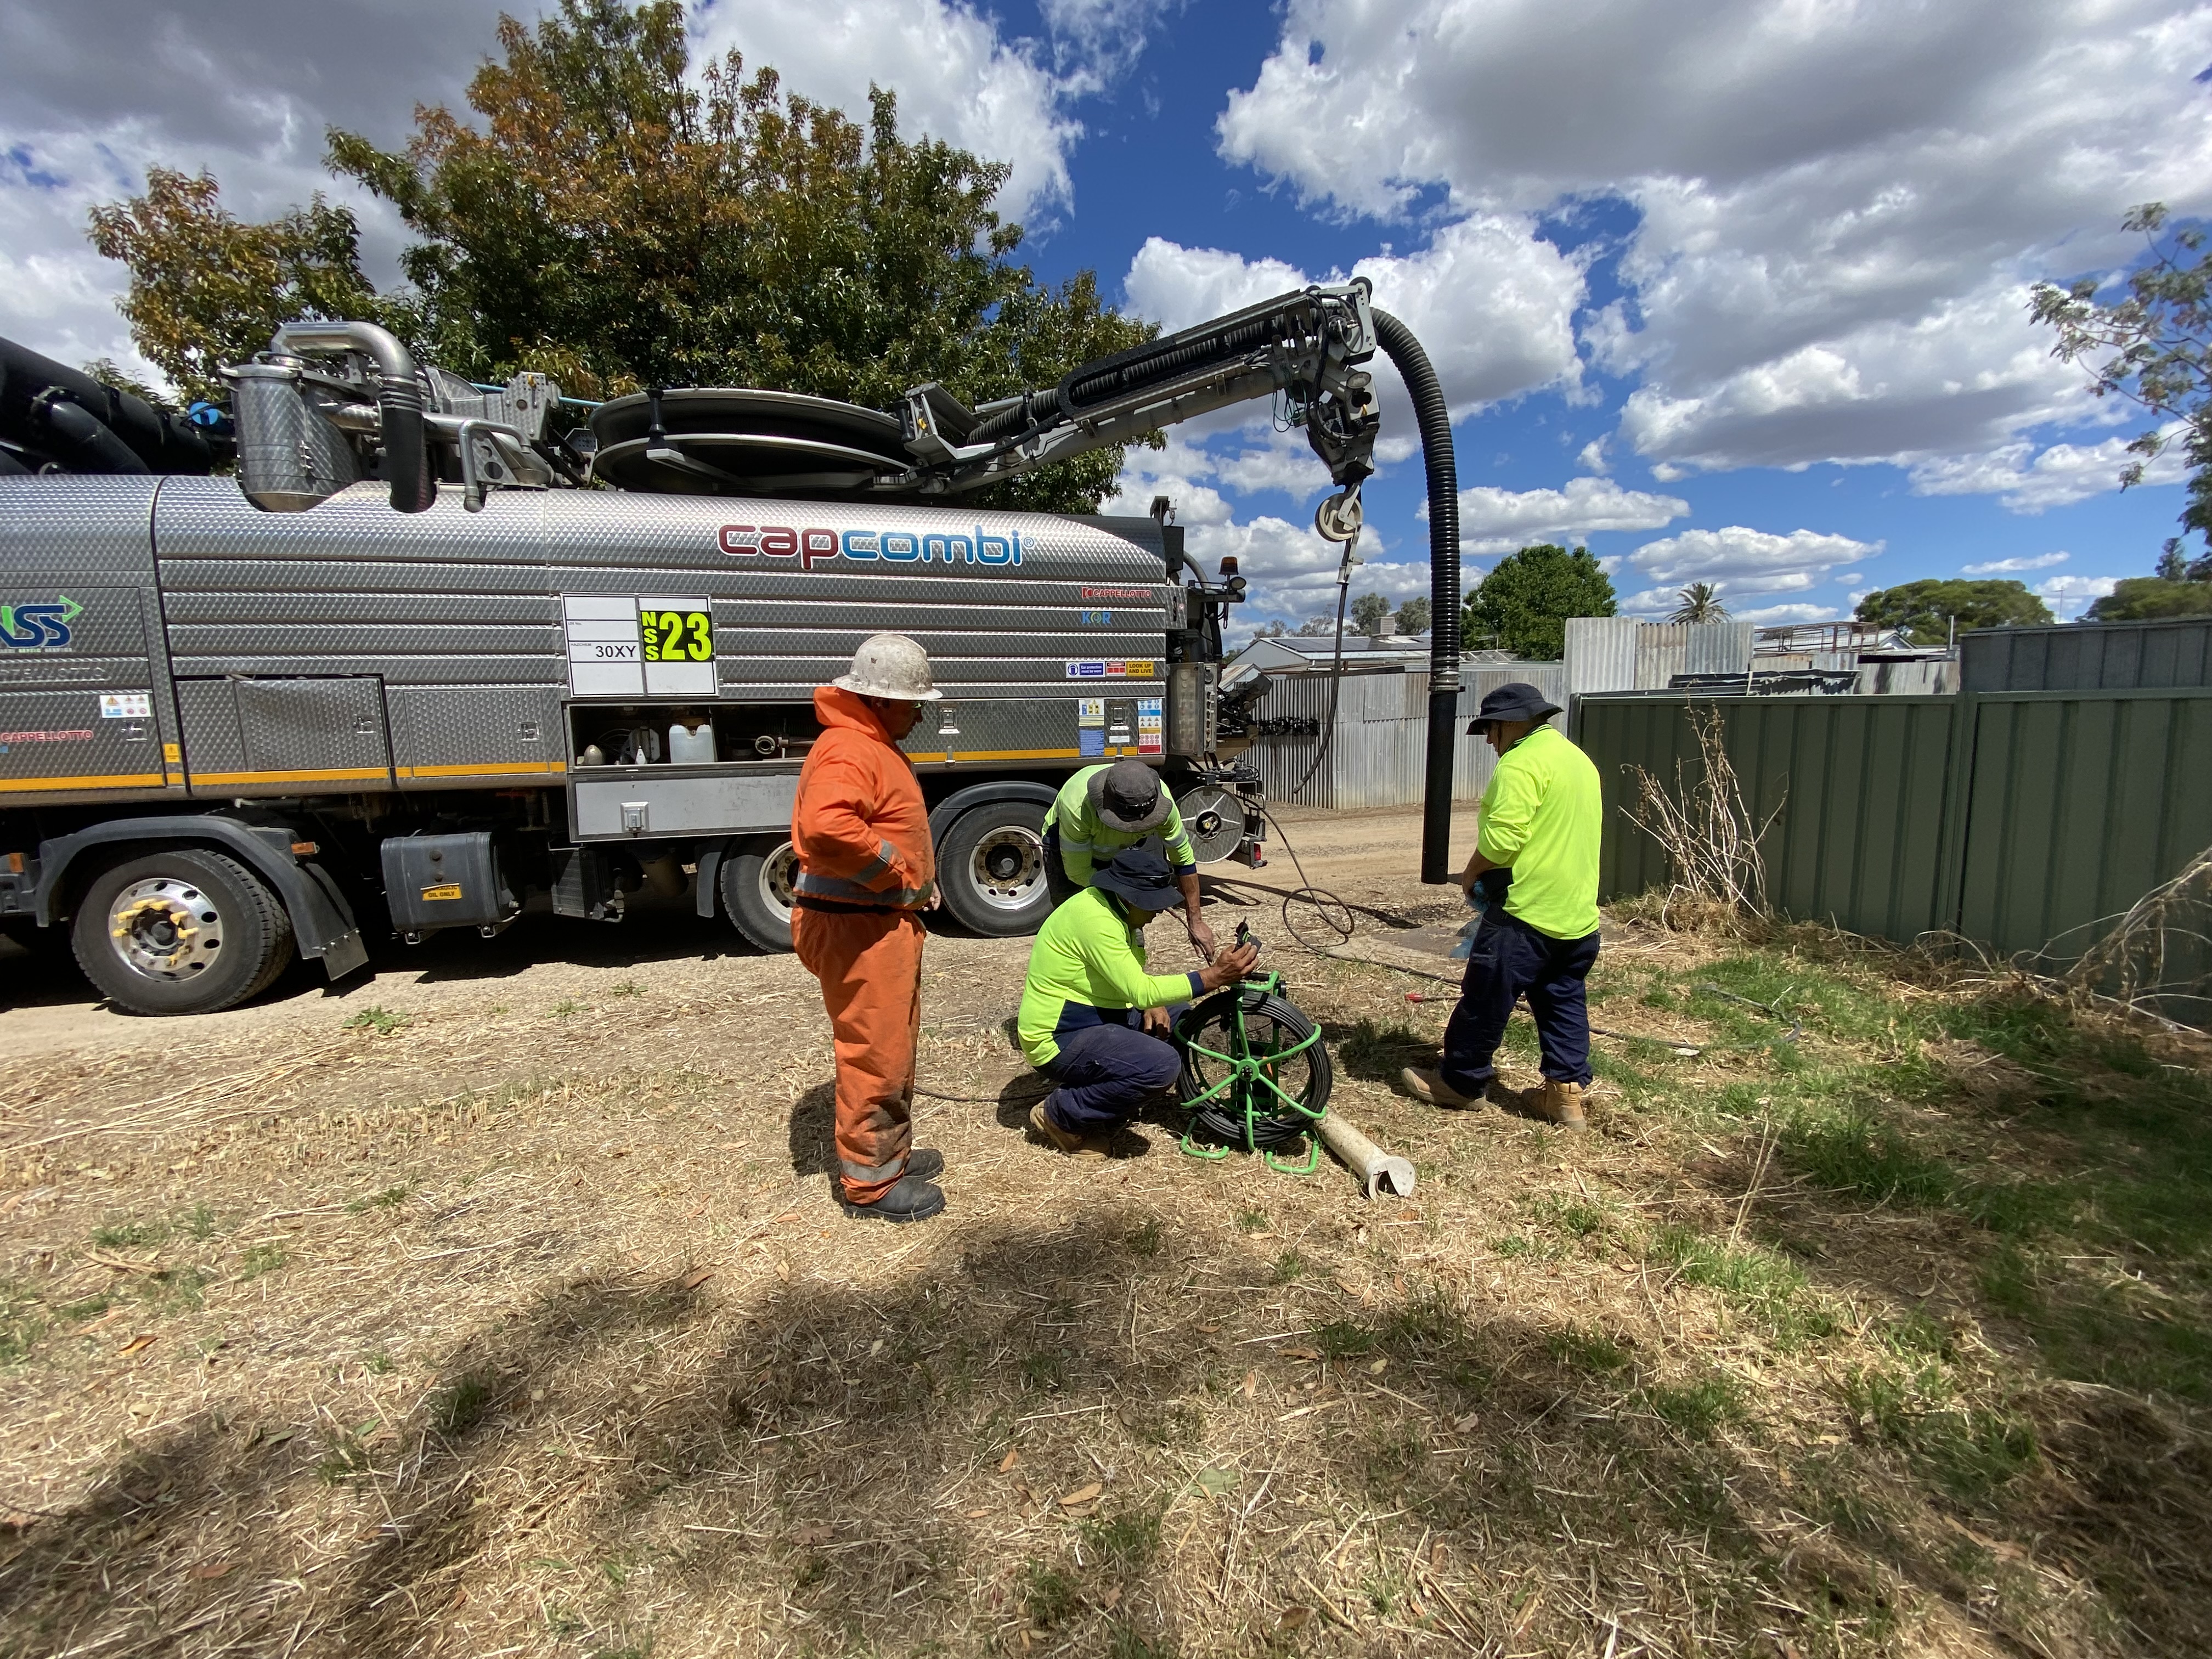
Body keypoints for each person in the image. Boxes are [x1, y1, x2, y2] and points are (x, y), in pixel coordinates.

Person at [790, 633, 947, 1222]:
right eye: (912, 702)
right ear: (879, 701)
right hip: (858, 930)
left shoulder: (867, 743)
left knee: (893, 1049)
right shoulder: (850, 748)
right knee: (875, 1056)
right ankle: (872, 1187)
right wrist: (897, 873)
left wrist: (913, 886)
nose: (920, 713)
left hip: (872, 926)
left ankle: (890, 1156)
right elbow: (828, 826)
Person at [1401, 682, 1603, 1130]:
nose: (1491, 742)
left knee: (1486, 997)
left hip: (1526, 910)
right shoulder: (1576, 759)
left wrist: (1471, 874)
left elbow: (1505, 838)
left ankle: (1460, 1083)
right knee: (1563, 998)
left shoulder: (1521, 763)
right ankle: (1565, 1098)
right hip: (1577, 913)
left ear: (1511, 721)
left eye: (1491, 730)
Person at [1017, 847, 1259, 1155]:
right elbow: (1141, 989)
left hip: (1096, 1016)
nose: (1158, 912)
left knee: (1178, 1017)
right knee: (1160, 1065)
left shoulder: (1116, 912)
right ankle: (1062, 1115)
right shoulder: (1094, 920)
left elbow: (1130, 980)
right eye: (1153, 904)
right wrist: (1213, 977)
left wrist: (1149, 1001)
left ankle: (1110, 1091)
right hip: (1058, 1037)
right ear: (1130, 896)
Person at [1043, 759, 1218, 961]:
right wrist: (1125, 901)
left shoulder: (1163, 802)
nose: (1134, 827)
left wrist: (1195, 922)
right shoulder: (1077, 807)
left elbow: (1183, 860)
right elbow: (1079, 873)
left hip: (1124, 848)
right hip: (1070, 851)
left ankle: (1130, 968)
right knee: (1077, 920)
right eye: (1127, 823)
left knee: (1132, 922)